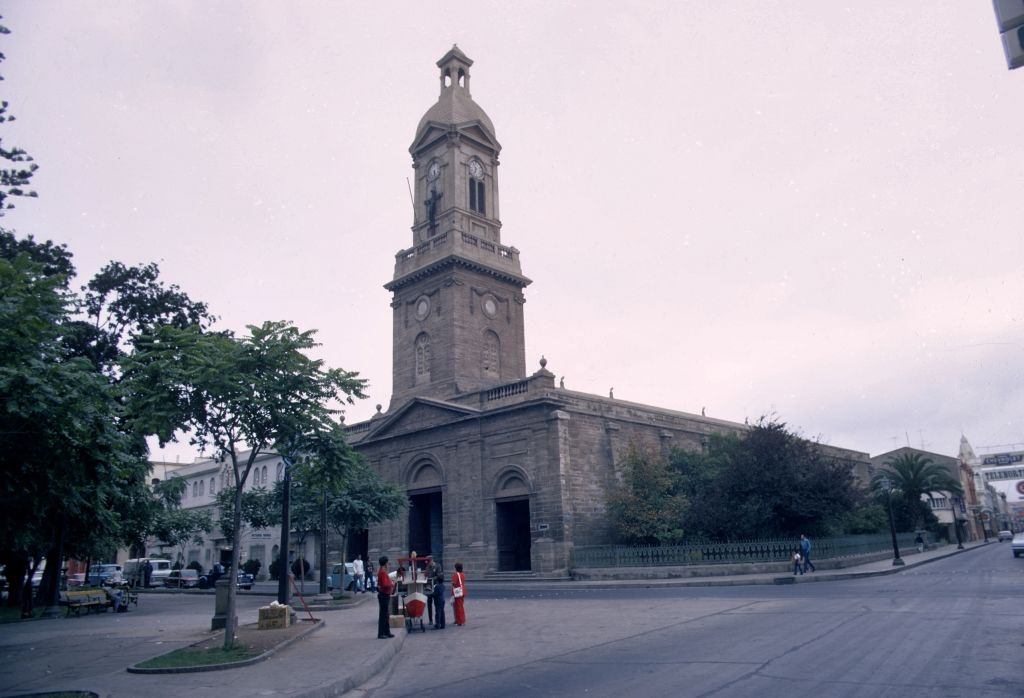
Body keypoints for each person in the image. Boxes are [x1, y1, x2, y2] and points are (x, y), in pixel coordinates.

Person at [376, 556, 395, 639]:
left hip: (384, 594)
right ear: (385, 563)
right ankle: (381, 633)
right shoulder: (383, 572)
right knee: (383, 615)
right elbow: (384, 584)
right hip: (384, 594)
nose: (388, 564)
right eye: (387, 563)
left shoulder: (382, 571)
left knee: (386, 614)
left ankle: (387, 632)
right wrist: (391, 584)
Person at [451, 561, 466, 626]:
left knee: (457, 607)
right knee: (461, 606)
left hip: (457, 592)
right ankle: (462, 620)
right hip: (462, 591)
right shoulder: (462, 574)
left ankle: (459, 621)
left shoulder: (456, 574)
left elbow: (453, 583)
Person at [432, 562, 446, 629]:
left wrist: (431, 594)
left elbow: (435, 594)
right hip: (442, 600)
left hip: (438, 601)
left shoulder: (437, 586)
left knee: (438, 613)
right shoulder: (443, 586)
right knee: (442, 612)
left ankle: (438, 624)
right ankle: (443, 624)